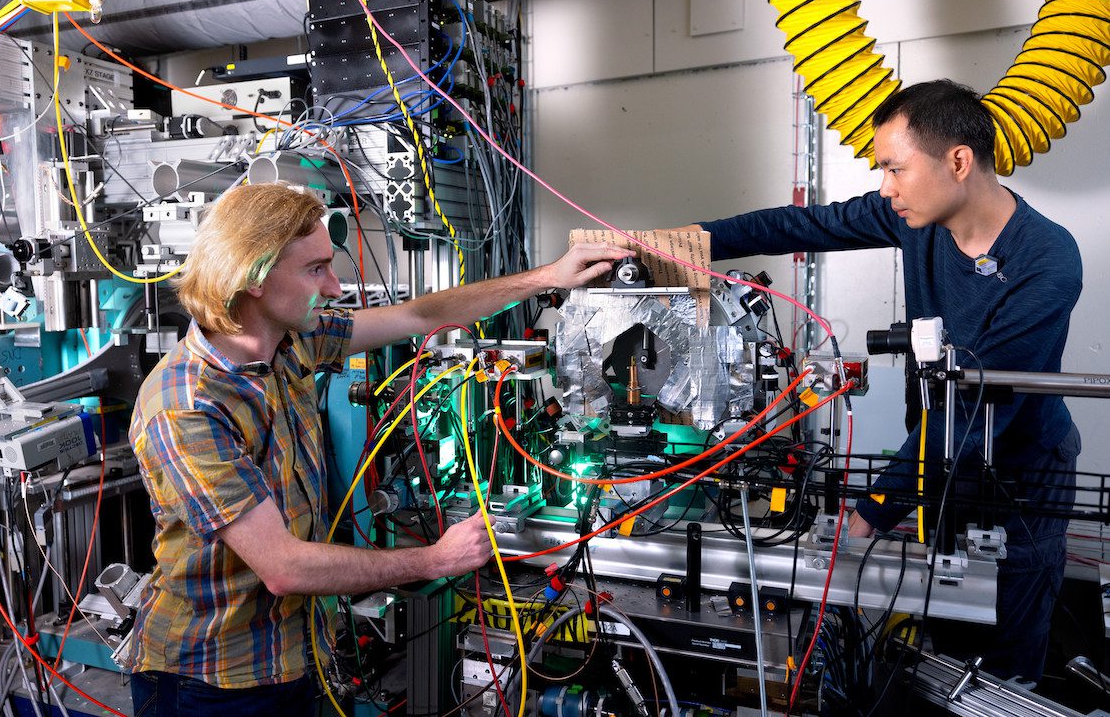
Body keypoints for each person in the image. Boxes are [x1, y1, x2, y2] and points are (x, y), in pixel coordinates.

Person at [127, 182, 630, 716]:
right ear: (252, 277)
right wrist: (435, 558)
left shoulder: (290, 341)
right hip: (209, 684)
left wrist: (548, 277)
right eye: (315, 270)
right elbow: (284, 568)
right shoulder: (187, 406)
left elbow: (418, 317)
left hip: (293, 661)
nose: (336, 285)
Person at [677, 80, 1081, 683]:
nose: (885, 188)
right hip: (938, 464)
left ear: (959, 162)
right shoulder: (917, 220)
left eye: (895, 168)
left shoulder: (1046, 261)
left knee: (999, 667)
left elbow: (974, 416)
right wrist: (678, 244)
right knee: (939, 643)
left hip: (1018, 486)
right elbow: (799, 226)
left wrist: (871, 511)